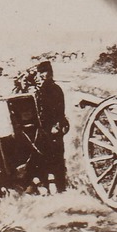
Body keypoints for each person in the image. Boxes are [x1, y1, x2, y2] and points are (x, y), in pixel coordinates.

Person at [34, 61, 69, 193]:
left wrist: (57, 125)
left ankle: (59, 187)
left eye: (44, 72)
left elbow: (60, 110)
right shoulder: (44, 89)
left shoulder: (53, 89)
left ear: (50, 73)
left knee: (56, 157)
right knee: (45, 157)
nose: (42, 75)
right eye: (40, 73)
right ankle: (50, 186)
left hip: (53, 128)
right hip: (46, 129)